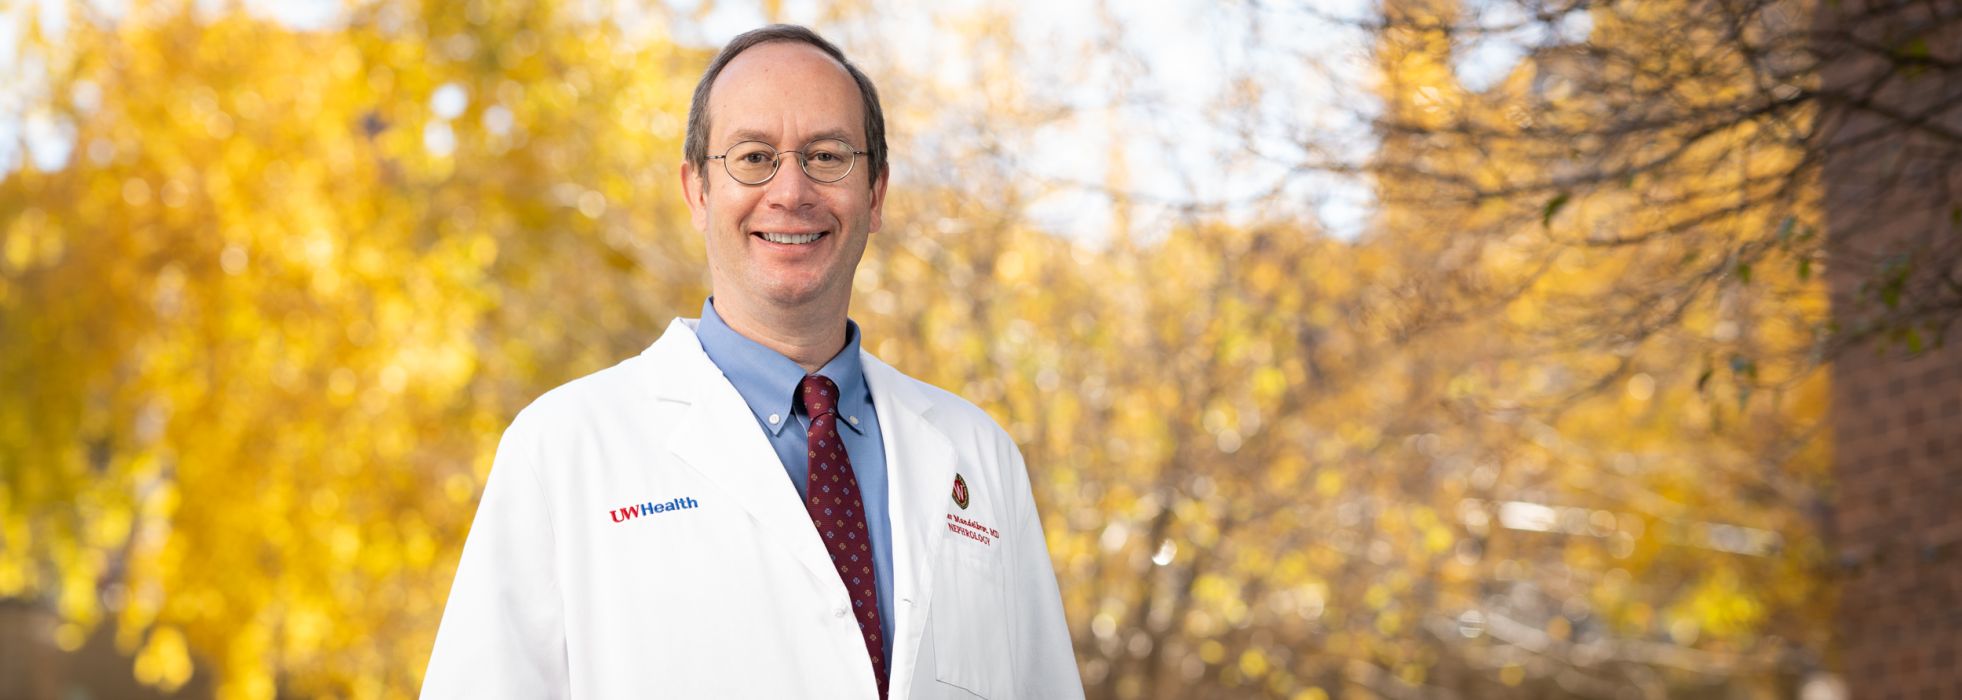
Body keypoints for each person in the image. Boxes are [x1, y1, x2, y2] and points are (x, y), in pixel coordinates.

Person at [420, 24, 1082, 699]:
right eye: (753, 156)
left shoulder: (979, 454)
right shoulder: (561, 449)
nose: (791, 190)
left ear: (876, 194)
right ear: (697, 192)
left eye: (828, 156)